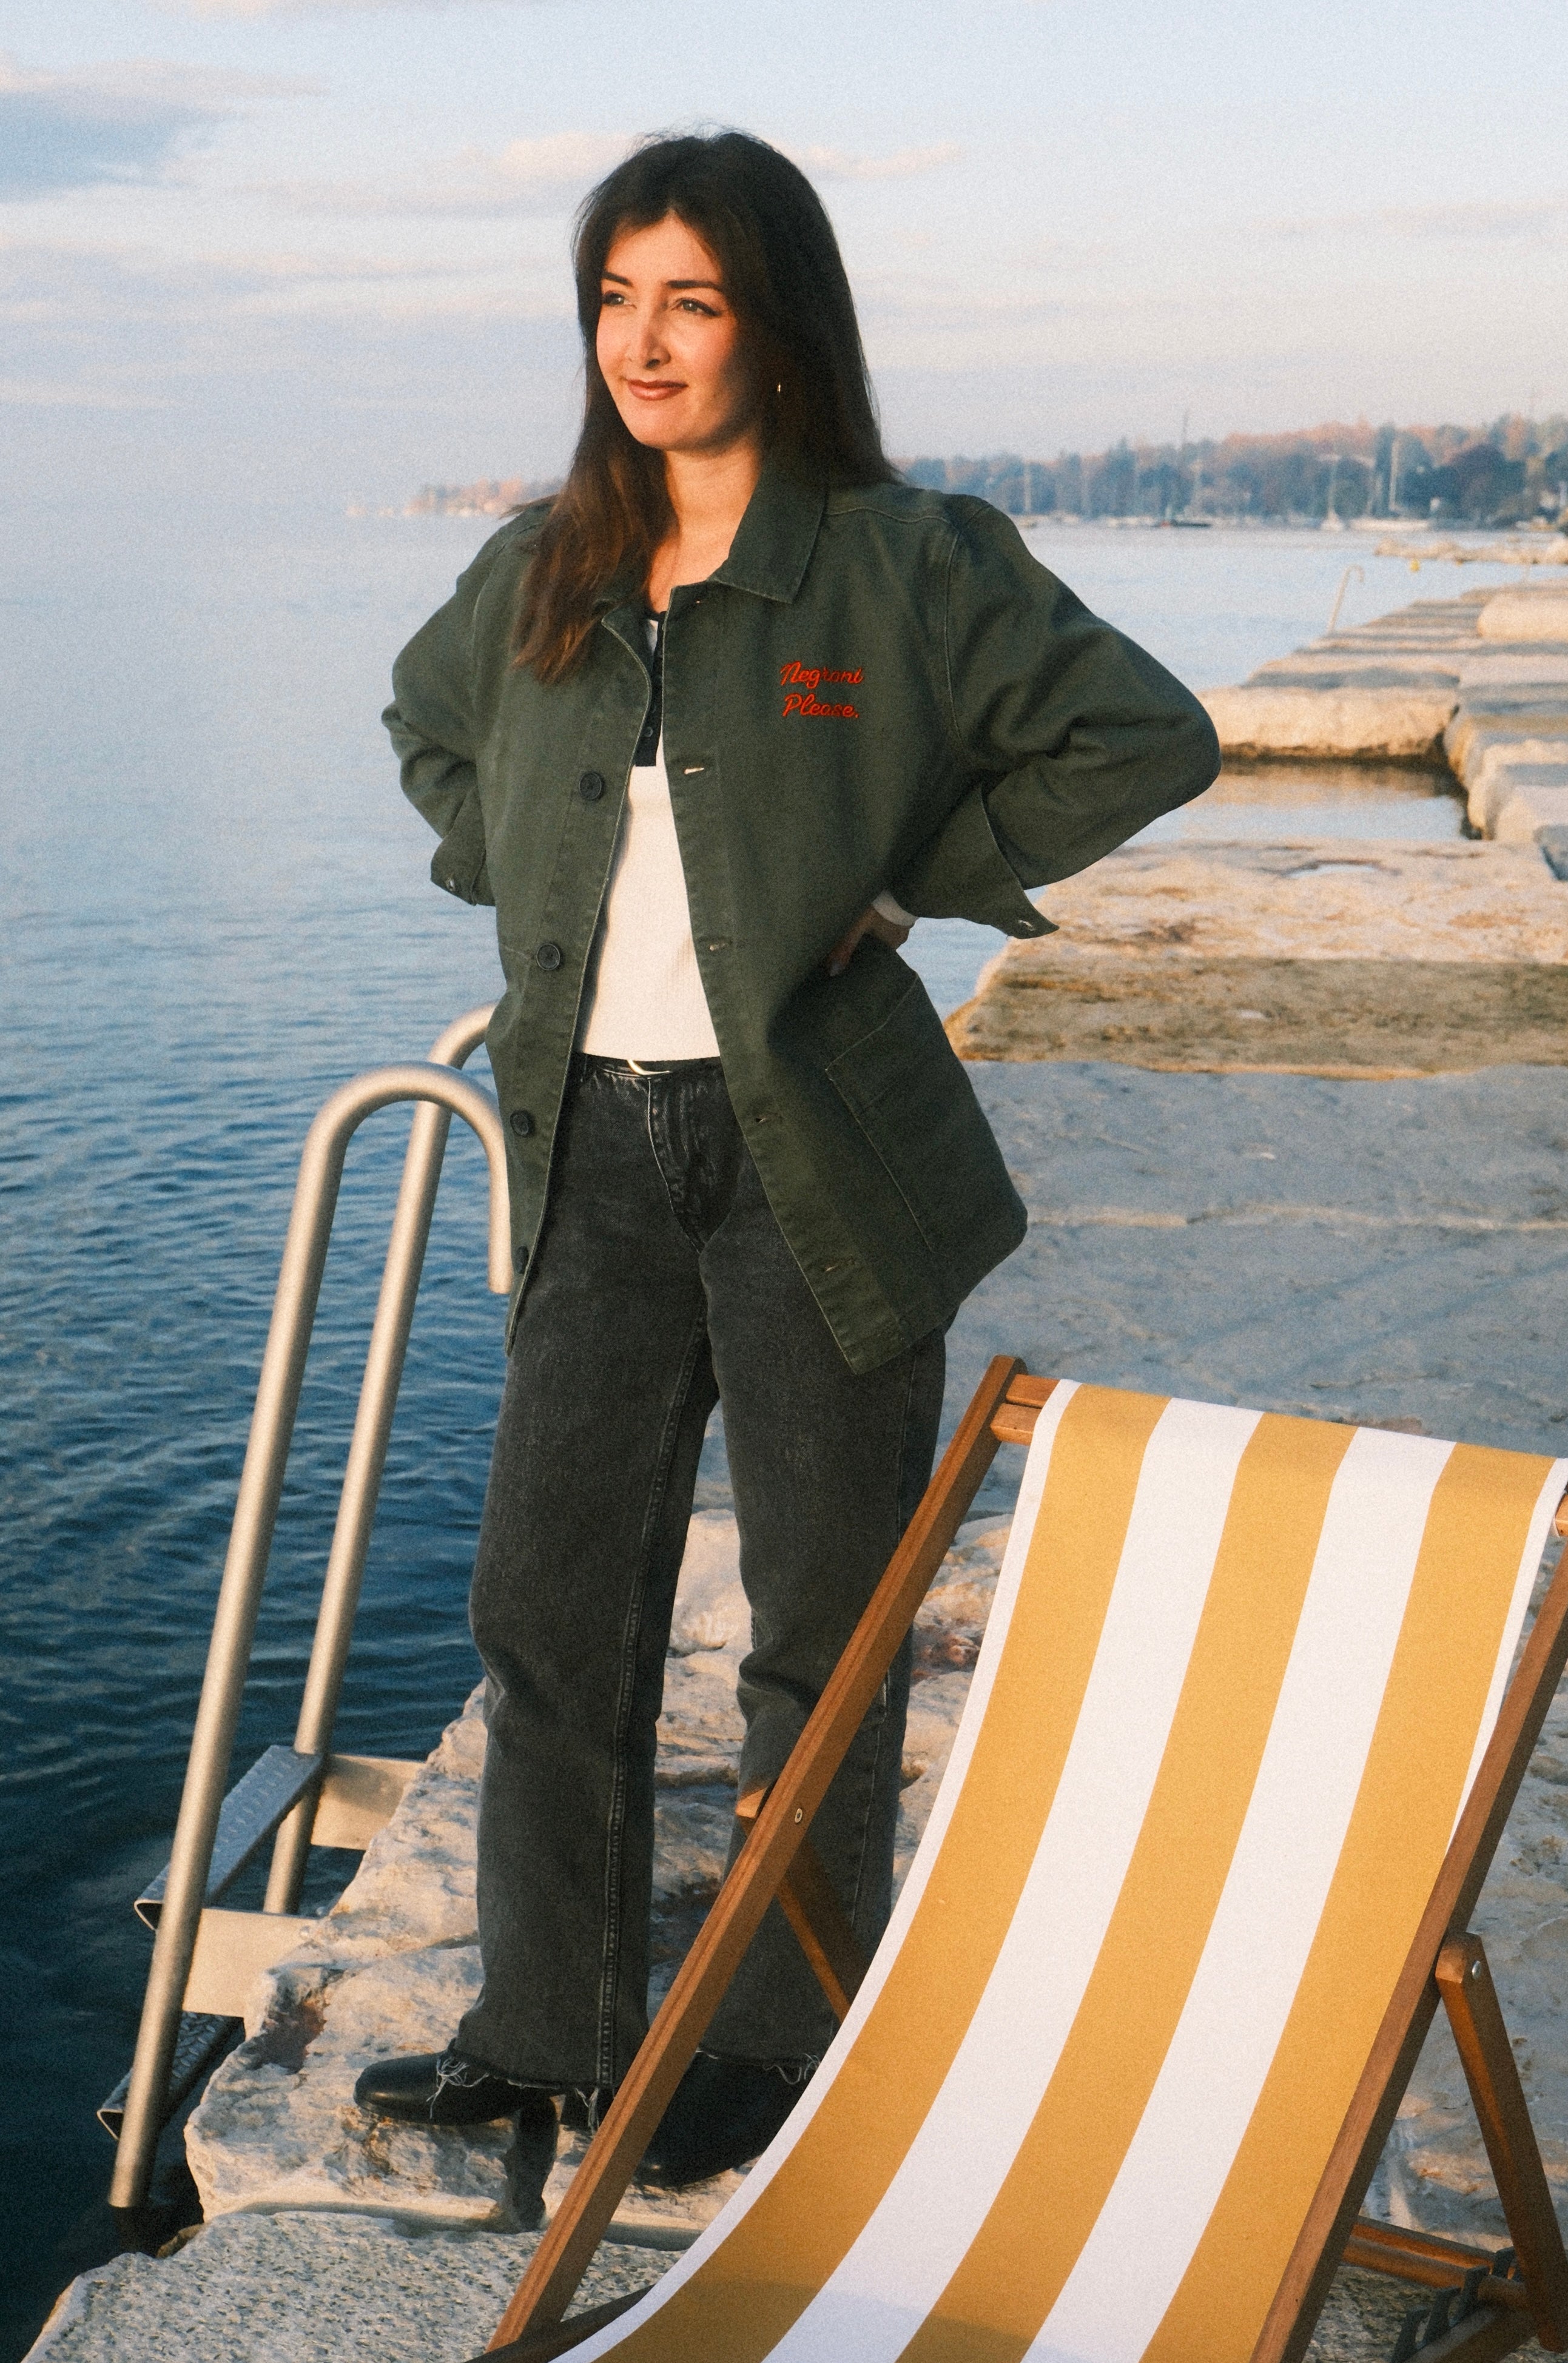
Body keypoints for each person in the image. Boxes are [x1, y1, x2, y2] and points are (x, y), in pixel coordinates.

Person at [355, 130, 1219, 2188]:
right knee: (550, 1610)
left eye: (694, 300)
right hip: (591, 1150)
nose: (643, 343)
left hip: (814, 1148)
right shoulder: (542, 565)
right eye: (615, 298)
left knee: (819, 1636)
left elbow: (1144, 736)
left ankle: (777, 2052)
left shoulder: (905, 563)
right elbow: (427, 733)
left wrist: (911, 876)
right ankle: (546, 2032)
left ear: (778, 323)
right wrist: (518, 866)